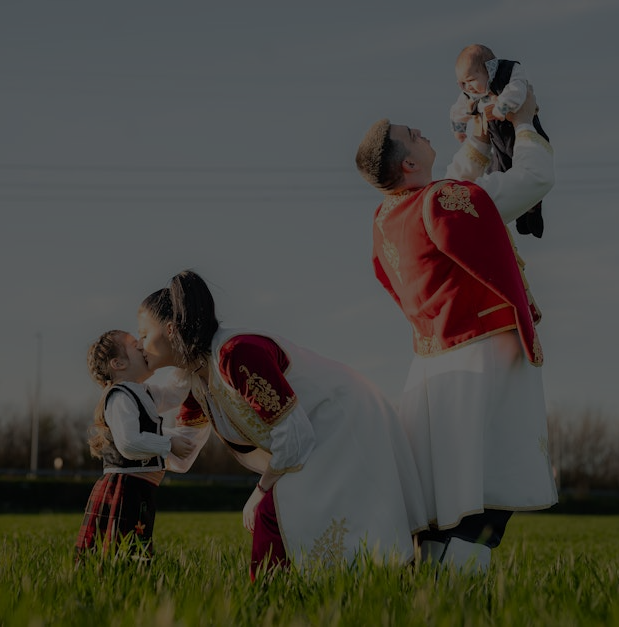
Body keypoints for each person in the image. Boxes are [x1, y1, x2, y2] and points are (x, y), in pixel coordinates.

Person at [355, 84, 558, 571]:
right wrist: (525, 122)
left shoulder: (388, 217)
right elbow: (532, 179)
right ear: (408, 162)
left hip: (433, 366)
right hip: (485, 357)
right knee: (487, 496)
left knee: (445, 499)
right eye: (412, 133)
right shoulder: (441, 201)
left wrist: (479, 143)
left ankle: (429, 593)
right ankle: (456, 597)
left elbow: (449, 196)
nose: (422, 131)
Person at [136, 270, 428, 579]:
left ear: (170, 330)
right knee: (288, 515)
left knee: (273, 511)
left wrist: (261, 490)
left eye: (143, 335)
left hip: (344, 421)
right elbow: (183, 449)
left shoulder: (237, 355)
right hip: (311, 435)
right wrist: (128, 435)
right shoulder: (195, 377)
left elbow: (294, 436)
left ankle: (271, 595)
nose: (140, 344)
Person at [75, 329, 204, 561]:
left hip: (139, 488)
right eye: (135, 345)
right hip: (124, 489)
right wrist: (168, 443)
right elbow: (129, 442)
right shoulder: (120, 397)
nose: (143, 347)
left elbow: (174, 394)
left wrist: (184, 360)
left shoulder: (142, 392)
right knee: (120, 553)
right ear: (118, 363)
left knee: (133, 549)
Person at [449, 43, 550, 238]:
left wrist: (502, 107)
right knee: (498, 173)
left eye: (471, 80)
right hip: (497, 141)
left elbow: (517, 90)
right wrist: (459, 128)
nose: (468, 87)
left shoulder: (508, 72)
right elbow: (459, 109)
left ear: (489, 69)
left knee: (528, 168)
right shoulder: (471, 93)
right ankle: (519, 210)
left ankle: (533, 209)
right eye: (462, 83)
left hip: (518, 133)